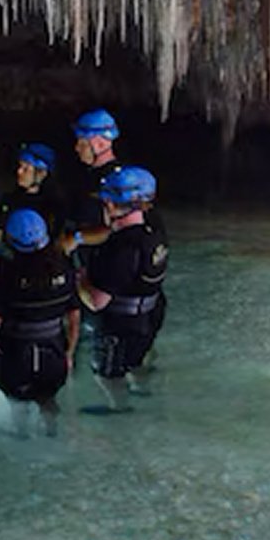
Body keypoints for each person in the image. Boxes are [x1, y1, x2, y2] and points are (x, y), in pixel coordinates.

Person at [0, 208, 81, 437]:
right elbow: (74, 315)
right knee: (48, 398)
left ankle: (22, 435)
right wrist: (69, 353)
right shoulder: (63, 265)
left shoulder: (7, 272)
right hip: (53, 351)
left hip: (15, 355)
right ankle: (52, 435)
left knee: (18, 403)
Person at [77, 166, 168, 414]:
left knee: (107, 373)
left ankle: (119, 408)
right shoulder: (155, 232)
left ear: (114, 205)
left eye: (106, 201)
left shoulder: (120, 249)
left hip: (122, 325)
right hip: (151, 315)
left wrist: (80, 280)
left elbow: (97, 302)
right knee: (137, 360)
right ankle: (142, 388)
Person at [0, 142, 64, 292]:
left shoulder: (53, 205)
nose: (19, 171)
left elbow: (60, 241)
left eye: (26, 168)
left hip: (42, 270)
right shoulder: (10, 200)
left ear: (42, 173)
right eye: (20, 166)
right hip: (11, 267)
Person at [57, 108, 120, 261]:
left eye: (82, 143)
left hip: (105, 266)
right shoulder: (85, 175)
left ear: (99, 144)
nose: (77, 148)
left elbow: (118, 228)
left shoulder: (117, 181)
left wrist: (76, 239)